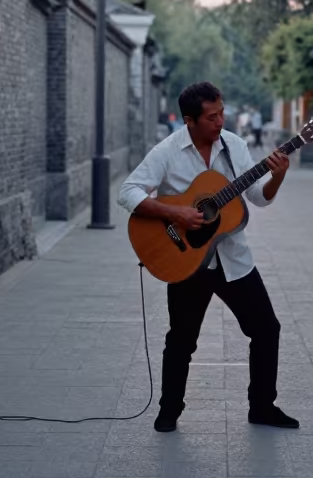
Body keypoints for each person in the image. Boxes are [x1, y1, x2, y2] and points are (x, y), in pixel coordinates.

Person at [118, 81, 298, 433]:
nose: (220, 122)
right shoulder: (168, 151)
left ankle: (262, 406)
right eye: (212, 116)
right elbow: (128, 192)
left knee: (266, 329)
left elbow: (258, 198)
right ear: (190, 120)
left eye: (222, 113)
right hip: (185, 258)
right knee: (182, 340)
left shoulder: (235, 146)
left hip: (233, 259)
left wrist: (277, 177)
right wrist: (176, 214)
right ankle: (168, 411)